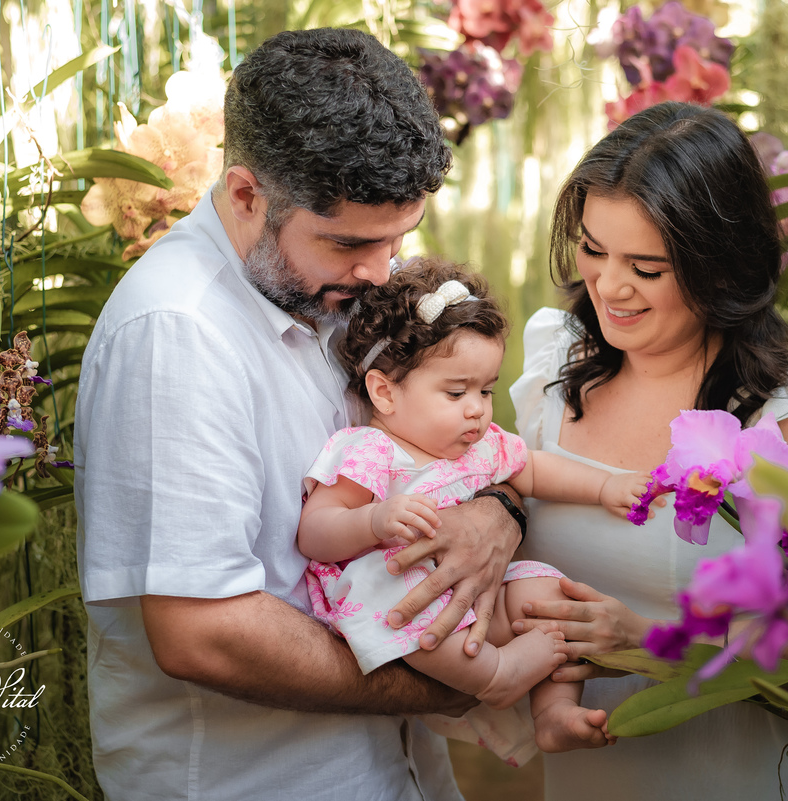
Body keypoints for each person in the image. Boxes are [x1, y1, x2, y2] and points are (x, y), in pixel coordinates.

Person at [74, 29, 526, 801]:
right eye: (350, 243)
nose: (381, 271)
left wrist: (498, 512)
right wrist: (445, 681)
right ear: (246, 195)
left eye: (398, 239)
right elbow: (202, 632)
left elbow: (446, 449)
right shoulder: (177, 333)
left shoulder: (329, 284)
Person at [508, 101, 788, 799]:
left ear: (721, 268)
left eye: (645, 267)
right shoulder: (554, 368)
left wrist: (653, 638)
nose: (608, 286)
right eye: (593, 249)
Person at [298, 257, 644, 763]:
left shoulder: (479, 447)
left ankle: (554, 713)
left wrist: (605, 485)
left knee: (549, 594)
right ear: (385, 392)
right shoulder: (368, 452)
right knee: (400, 590)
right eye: (456, 392)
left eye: (486, 390)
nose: (477, 409)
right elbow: (314, 532)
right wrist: (371, 520)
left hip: (478, 599)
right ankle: (495, 677)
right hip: (398, 605)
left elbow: (534, 469)